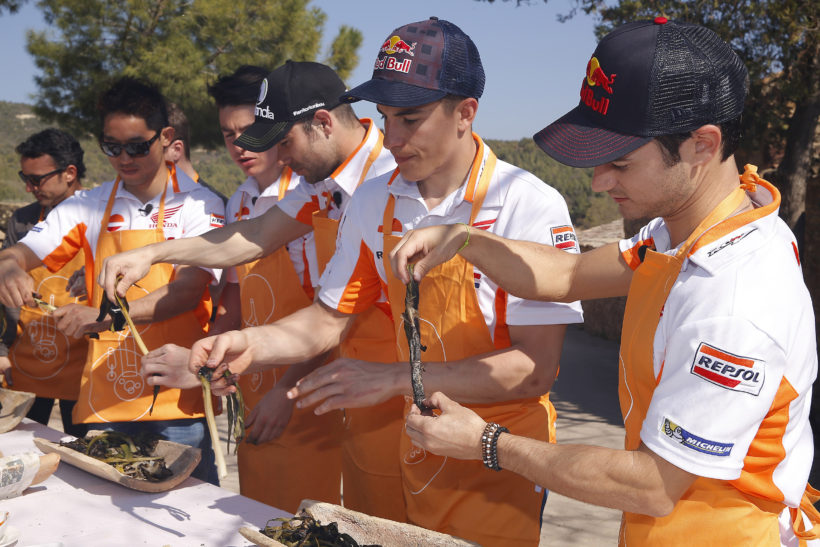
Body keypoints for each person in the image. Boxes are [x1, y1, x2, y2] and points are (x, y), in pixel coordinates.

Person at [395, 18, 820, 545]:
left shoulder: (737, 298)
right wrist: (466, 239)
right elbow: (569, 273)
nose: (599, 181)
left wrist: (487, 442)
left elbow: (653, 485)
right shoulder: (684, 230)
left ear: (702, 145)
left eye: (619, 162)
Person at [189, 18, 583, 546]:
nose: (392, 139)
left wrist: (396, 379)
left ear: (465, 113)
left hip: (496, 459)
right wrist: (251, 345)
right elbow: (328, 319)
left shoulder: (526, 204)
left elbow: (534, 370)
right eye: (386, 118)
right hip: (414, 448)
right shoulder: (375, 199)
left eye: (411, 119)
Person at [101, 61, 398, 516]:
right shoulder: (323, 182)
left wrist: (282, 386)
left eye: (285, 142)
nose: (282, 158)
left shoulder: (387, 178)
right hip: (352, 386)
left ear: (322, 123)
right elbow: (256, 235)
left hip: (396, 385)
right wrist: (154, 254)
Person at [0, 77, 226, 484]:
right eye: (112, 146)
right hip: (107, 398)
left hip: (176, 402)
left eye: (136, 146)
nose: (124, 158)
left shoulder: (199, 204)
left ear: (165, 138)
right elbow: (20, 252)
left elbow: (187, 291)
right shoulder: (88, 205)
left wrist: (107, 317)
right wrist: (9, 265)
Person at [145, 65, 343, 512]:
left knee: (305, 515)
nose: (239, 145)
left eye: (250, 131)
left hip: (306, 387)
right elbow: (233, 300)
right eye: (228, 134)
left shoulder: (315, 194)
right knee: (255, 508)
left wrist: (287, 392)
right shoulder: (240, 200)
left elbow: (332, 313)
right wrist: (208, 362)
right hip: (252, 383)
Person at [0, 129, 88, 437]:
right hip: (29, 363)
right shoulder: (22, 221)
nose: (29, 187)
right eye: (25, 178)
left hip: (85, 366)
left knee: (82, 452)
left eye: (37, 179)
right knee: (21, 446)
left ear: (69, 173)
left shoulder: (104, 219)